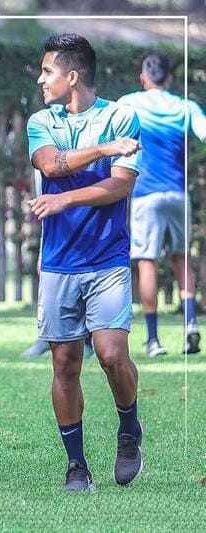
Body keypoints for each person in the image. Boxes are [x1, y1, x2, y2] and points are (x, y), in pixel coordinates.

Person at [27, 33, 143, 492]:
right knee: (65, 364)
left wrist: (65, 201)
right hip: (59, 263)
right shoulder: (42, 120)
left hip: (108, 258)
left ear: (72, 76)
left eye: (48, 71)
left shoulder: (122, 116)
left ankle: (129, 429)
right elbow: (51, 165)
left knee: (113, 355)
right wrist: (101, 149)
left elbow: (120, 186)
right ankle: (77, 466)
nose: (41, 79)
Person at [118, 53, 204, 357]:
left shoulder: (129, 103)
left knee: (147, 262)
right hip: (179, 195)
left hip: (146, 195)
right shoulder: (185, 106)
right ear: (169, 79)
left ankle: (154, 339)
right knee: (182, 260)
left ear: (143, 78)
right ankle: (191, 323)